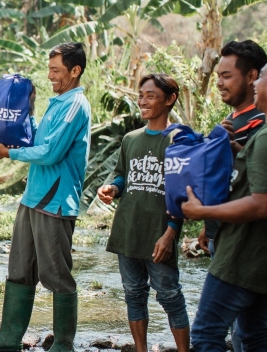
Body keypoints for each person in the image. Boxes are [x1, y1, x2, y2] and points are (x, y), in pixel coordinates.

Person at [182, 53, 267, 351]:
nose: (256, 82)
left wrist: (202, 211)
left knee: (205, 336)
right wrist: (232, 147)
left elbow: (261, 204)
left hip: (244, 254)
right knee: (254, 335)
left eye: (263, 76)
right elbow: (262, 170)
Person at [0, 42, 91, 352]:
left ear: (75, 70)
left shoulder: (76, 105)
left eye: (56, 70)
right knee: (20, 267)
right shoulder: (57, 102)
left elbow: (51, 151)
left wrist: (9, 154)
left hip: (55, 201)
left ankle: (64, 343)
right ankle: (9, 337)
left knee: (56, 274)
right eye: (49, 69)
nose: (50, 75)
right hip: (32, 198)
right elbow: (37, 137)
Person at [97, 74, 189, 352]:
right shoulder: (131, 139)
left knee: (170, 295)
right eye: (141, 95)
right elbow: (122, 175)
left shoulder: (180, 140)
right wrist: (112, 188)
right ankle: (141, 350)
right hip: (128, 230)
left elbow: (184, 193)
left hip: (159, 234)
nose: (143, 101)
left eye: (151, 95)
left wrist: (170, 233)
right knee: (133, 294)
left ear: (170, 99)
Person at [198, 40, 267, 256]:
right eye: (218, 76)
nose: (219, 83)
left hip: (241, 237)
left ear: (251, 77)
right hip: (219, 230)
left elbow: (260, 174)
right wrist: (208, 224)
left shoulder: (261, 121)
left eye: (226, 76)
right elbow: (225, 178)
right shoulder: (231, 119)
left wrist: (233, 148)